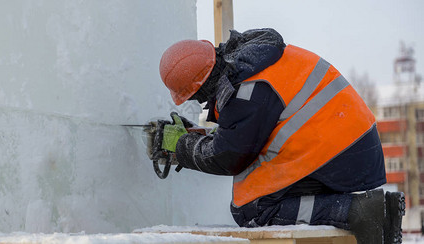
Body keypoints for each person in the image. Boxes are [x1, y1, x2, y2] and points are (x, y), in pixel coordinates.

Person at [157, 28, 405, 244]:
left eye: (196, 96)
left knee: (254, 210)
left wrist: (181, 147)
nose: (200, 102)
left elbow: (229, 156)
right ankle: (380, 210)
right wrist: (196, 137)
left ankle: (357, 211)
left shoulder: (245, 92)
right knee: (270, 195)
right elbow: (248, 132)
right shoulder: (249, 63)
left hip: (337, 153)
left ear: (203, 86)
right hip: (346, 143)